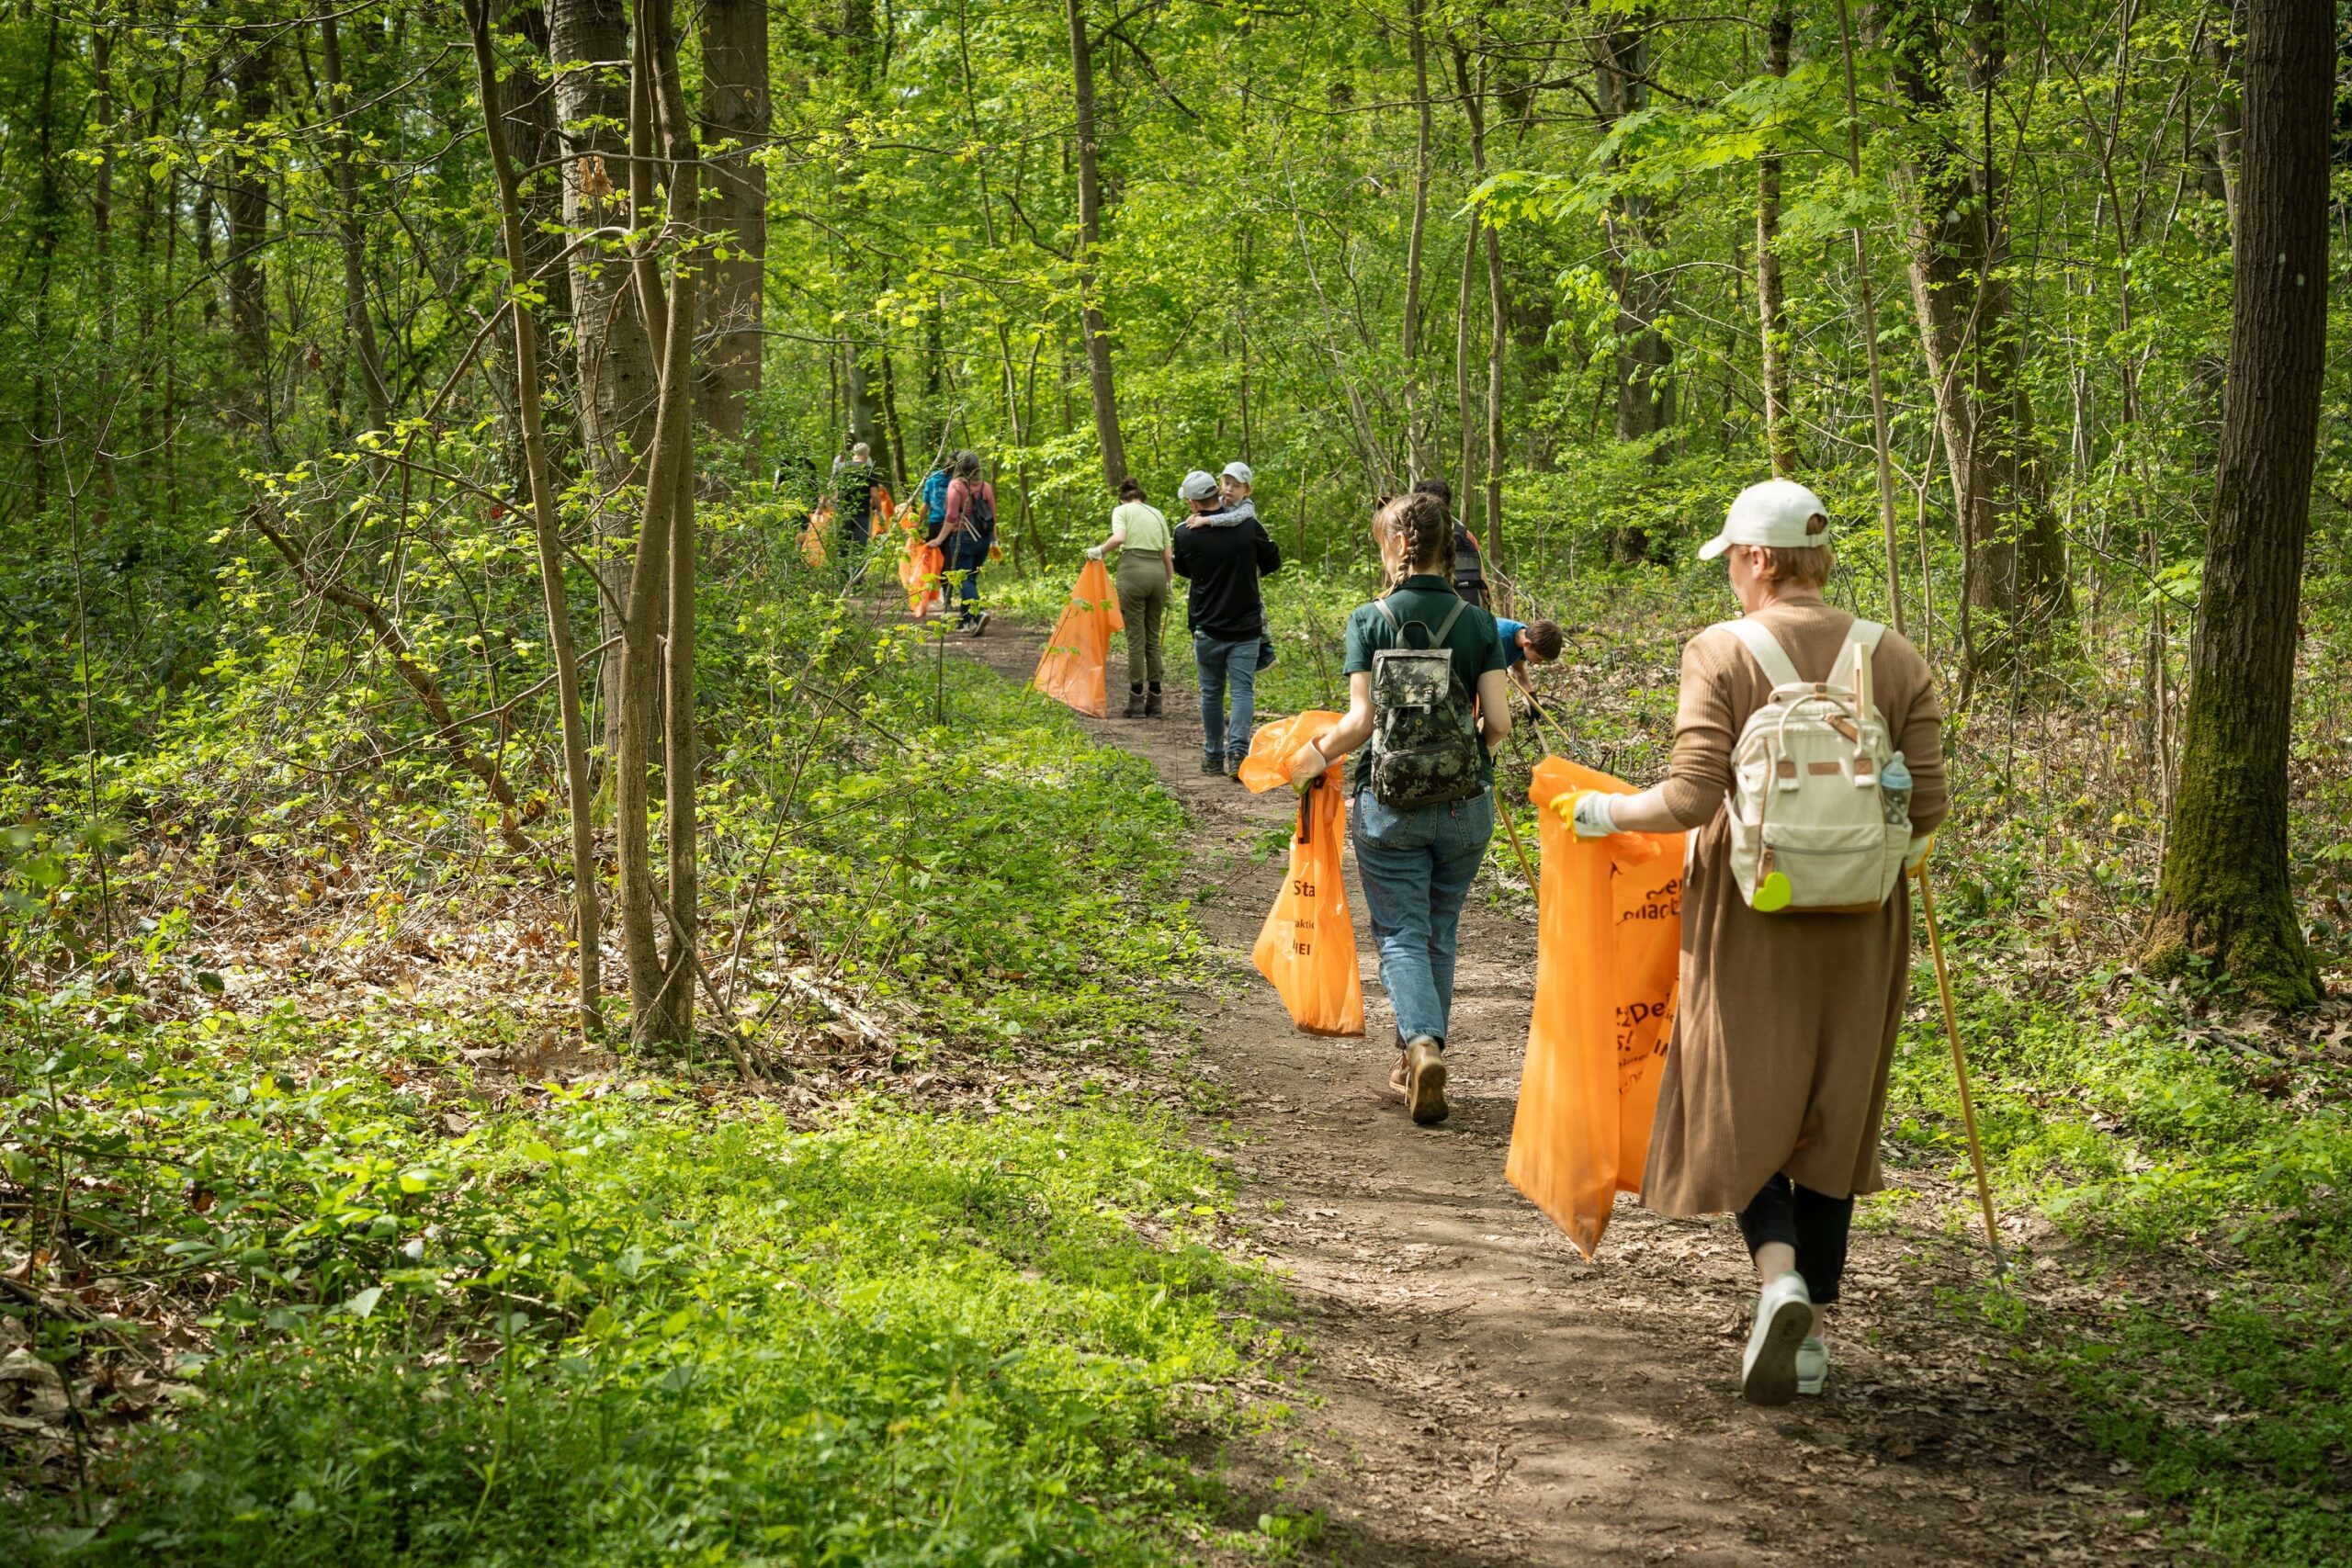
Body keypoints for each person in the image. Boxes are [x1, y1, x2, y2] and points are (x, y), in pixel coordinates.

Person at [1566, 479, 1947, 1406]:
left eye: (1734, 559)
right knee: (1832, 1104)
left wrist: (1601, 811)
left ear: (1761, 559)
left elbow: (1691, 797)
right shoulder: (1892, 657)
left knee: (1742, 1096)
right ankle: (1809, 1337)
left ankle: (1775, 1276)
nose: (1732, 576)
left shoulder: (1723, 651)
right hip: (1863, 921)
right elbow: (1928, 807)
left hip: (1751, 908)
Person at [1283, 491, 1510, 1125]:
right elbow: (1499, 723)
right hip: (1466, 805)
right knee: (1440, 926)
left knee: (1402, 932)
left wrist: (1310, 757)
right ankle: (1422, 1049)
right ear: (1451, 548)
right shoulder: (1478, 624)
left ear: (1393, 547)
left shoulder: (1371, 618)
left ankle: (1419, 1045)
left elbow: (1361, 722)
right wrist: (1470, 754)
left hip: (1389, 807)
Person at [1172, 468, 1281, 776]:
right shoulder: (1248, 527)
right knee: (1243, 690)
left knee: (1211, 692)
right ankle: (1238, 755)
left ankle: (1212, 757)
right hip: (1246, 626)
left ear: (1194, 504)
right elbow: (1273, 560)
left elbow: (1183, 569)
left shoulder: (1184, 533)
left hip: (1207, 626)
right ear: (1215, 494)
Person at [1087, 478, 1174, 717]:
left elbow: (1120, 538)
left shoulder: (1121, 510)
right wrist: (1169, 582)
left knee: (1136, 639)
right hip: (1158, 573)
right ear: (1142, 497)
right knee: (1152, 639)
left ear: (1123, 498)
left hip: (1133, 572)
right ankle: (1155, 700)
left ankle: (1136, 701)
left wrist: (1099, 551)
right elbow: (1168, 554)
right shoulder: (1157, 514)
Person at [928, 449, 996, 635]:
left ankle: (979, 612)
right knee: (970, 579)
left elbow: (950, 517)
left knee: (963, 579)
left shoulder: (956, 486)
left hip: (963, 538)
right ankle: (965, 622)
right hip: (983, 540)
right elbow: (993, 517)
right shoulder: (985, 487)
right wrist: (995, 542)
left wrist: (938, 539)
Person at [1411, 476, 1488, 610]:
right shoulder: (1466, 537)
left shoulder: (1412, 538)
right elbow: (1485, 588)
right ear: (1449, 507)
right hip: (1467, 619)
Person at [1494, 615, 1565, 701]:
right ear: (1527, 644)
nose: (1539, 662)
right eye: (1539, 658)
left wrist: (1531, 696)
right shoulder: (1499, 640)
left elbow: (1518, 669)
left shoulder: (1530, 638)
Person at [834, 442, 885, 553]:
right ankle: (858, 571)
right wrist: (880, 512)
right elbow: (875, 495)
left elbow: (833, 490)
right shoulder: (869, 471)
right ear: (867, 455)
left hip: (842, 513)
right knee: (859, 550)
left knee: (842, 549)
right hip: (862, 514)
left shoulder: (841, 468)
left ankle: (842, 570)